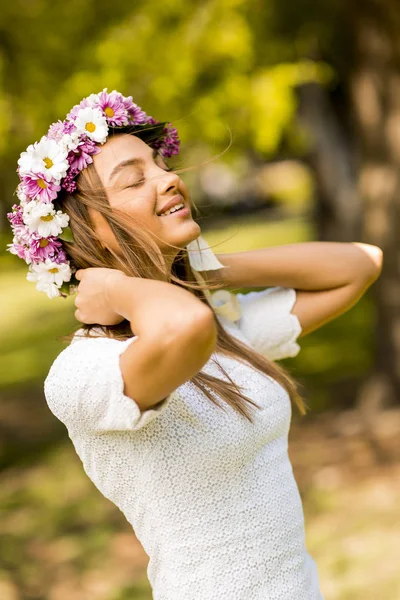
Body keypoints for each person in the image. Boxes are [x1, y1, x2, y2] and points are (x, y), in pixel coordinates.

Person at [7, 89, 383, 600]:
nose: (168, 179)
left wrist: (209, 268)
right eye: (136, 179)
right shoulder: (83, 373)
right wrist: (115, 286)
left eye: (159, 164)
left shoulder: (225, 327)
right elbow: (181, 330)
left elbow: (362, 264)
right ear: (86, 233)